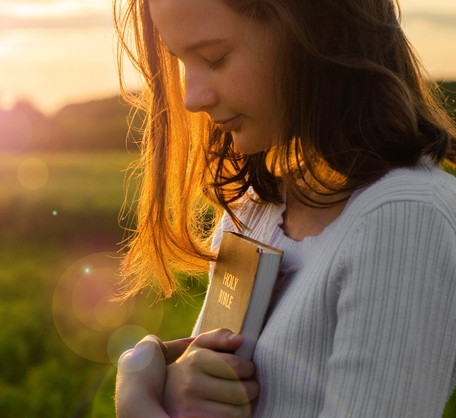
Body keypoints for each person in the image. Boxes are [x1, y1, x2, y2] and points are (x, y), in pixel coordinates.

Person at [111, 0, 456, 416]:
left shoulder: (403, 220)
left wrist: (138, 401)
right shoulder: (256, 208)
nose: (192, 98)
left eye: (214, 58)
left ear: (316, 28)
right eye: (182, 61)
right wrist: (182, 385)